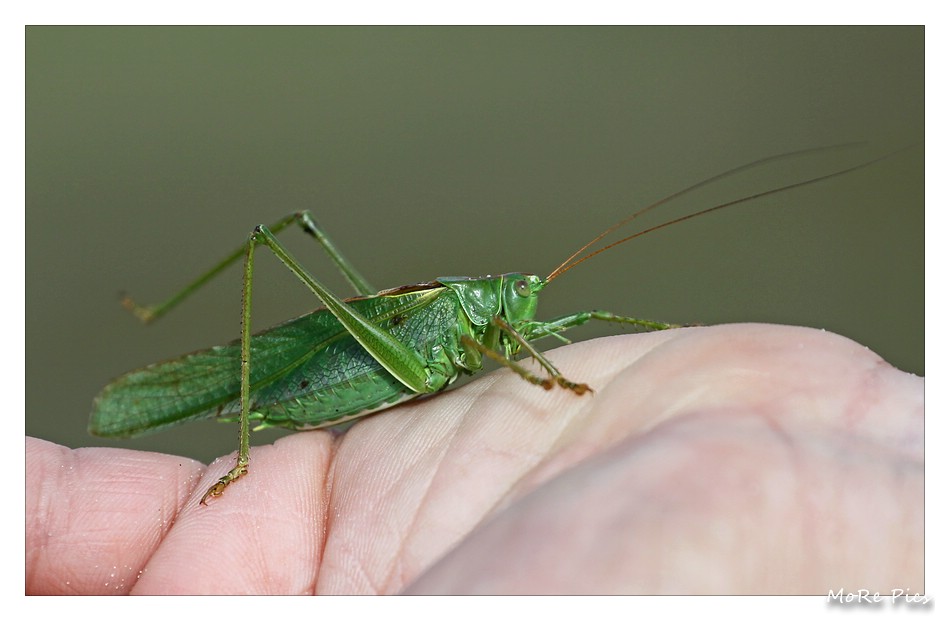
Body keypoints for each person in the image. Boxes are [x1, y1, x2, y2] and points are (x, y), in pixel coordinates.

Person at [25, 325, 924, 594]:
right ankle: (211, 394)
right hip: (360, 365)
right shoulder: (466, 321)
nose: (527, 315)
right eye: (520, 309)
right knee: (285, 232)